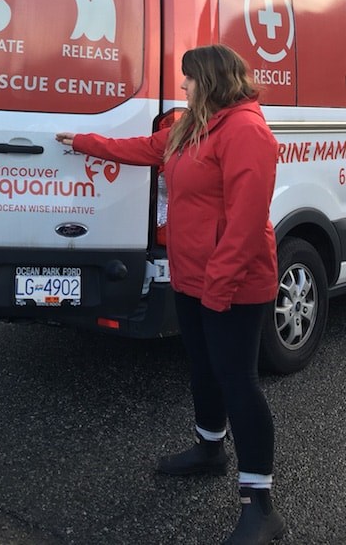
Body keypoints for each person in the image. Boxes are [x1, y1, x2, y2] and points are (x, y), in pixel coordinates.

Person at [56, 44, 285, 545]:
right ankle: (209, 450)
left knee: (237, 382)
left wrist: (217, 290)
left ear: (212, 81)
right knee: (203, 368)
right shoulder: (191, 126)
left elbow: (246, 225)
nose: (182, 87)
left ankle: (260, 505)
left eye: (189, 79)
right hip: (192, 278)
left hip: (233, 286)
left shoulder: (247, 132)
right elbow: (142, 149)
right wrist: (82, 141)